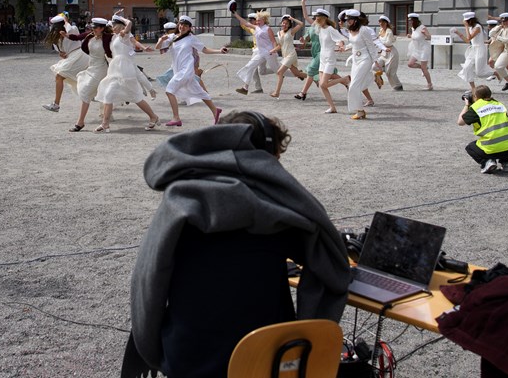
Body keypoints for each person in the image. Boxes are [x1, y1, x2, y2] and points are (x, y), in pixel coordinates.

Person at [127, 111, 350, 378]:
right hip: (270, 353)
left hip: (189, 356)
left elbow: (148, 280)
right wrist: (309, 329)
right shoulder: (282, 204)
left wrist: (151, 349)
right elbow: (329, 260)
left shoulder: (180, 200)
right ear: (267, 155)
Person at [94, 16, 161, 132]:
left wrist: (120, 18)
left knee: (136, 97)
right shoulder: (115, 36)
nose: (112, 27)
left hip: (125, 70)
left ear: (121, 25)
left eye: (114, 25)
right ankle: (105, 123)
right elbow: (134, 41)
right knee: (108, 95)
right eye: (112, 25)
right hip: (116, 69)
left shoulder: (123, 34)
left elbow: (130, 26)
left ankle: (153, 117)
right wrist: (115, 16)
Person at [163, 16, 226, 127]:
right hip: (178, 70)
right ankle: (215, 110)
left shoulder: (191, 38)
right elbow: (160, 48)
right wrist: (160, 41)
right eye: (181, 24)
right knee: (200, 92)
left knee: (169, 90)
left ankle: (176, 118)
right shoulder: (173, 37)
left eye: (185, 26)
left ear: (189, 28)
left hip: (186, 70)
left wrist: (219, 51)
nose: (182, 27)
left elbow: (204, 50)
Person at [295, 0, 349, 112]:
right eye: (315, 18)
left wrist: (340, 45)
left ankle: (344, 79)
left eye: (317, 18)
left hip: (329, 58)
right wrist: (304, 40)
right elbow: (308, 26)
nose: (315, 20)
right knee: (321, 85)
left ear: (324, 19)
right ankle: (332, 107)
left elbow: (340, 39)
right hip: (322, 57)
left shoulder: (330, 29)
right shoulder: (319, 28)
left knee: (324, 84)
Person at [457, 85, 508, 174]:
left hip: (494, 149)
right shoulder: (499, 104)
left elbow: (460, 122)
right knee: (502, 138)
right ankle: (506, 163)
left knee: (470, 147)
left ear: (475, 97)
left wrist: (467, 105)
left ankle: (487, 162)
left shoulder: (476, 107)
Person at [69, 18, 112, 132]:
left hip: (101, 68)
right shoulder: (90, 36)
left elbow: (120, 39)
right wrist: (65, 35)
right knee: (93, 91)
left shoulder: (108, 37)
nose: (93, 29)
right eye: (92, 27)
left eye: (95, 27)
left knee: (86, 91)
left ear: (102, 28)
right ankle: (104, 118)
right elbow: (79, 40)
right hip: (91, 66)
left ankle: (80, 122)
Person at [339, 10, 383, 120]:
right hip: (355, 59)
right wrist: (345, 48)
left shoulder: (364, 30)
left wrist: (376, 61)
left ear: (356, 20)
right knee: (353, 85)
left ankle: (360, 111)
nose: (347, 22)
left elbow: (370, 46)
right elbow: (353, 43)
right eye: (347, 20)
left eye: (350, 20)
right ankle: (373, 77)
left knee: (354, 85)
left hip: (365, 59)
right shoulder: (350, 30)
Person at [42, 14, 87, 112]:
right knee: (78, 79)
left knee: (59, 75)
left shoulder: (72, 28)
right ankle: (94, 95)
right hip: (72, 57)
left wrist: (66, 21)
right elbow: (61, 52)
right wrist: (61, 54)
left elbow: (70, 30)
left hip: (79, 55)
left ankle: (56, 104)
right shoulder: (57, 38)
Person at [232, 10, 279, 94]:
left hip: (269, 53)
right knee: (250, 66)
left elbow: (273, 41)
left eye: (259, 20)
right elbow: (245, 23)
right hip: (260, 53)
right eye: (256, 20)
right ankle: (245, 88)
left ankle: (297, 74)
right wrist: (235, 14)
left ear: (264, 20)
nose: (257, 21)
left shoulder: (267, 29)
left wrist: (274, 50)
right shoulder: (256, 28)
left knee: (278, 70)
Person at [269, 14, 307, 98]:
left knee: (280, 72)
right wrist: (272, 50)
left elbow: (301, 24)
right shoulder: (278, 33)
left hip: (291, 55)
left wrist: (292, 18)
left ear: (289, 25)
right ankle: (313, 77)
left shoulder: (291, 31)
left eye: (286, 23)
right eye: (283, 23)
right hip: (285, 56)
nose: (284, 25)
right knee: (297, 74)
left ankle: (277, 92)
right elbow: (280, 45)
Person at [454, 11, 490, 91]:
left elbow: (469, 37)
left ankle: (495, 73)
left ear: (470, 21)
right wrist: (458, 33)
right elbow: (467, 40)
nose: (465, 23)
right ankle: (473, 88)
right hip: (473, 49)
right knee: (467, 67)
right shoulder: (471, 28)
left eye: (466, 22)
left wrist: (466, 27)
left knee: (479, 73)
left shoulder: (477, 27)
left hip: (480, 49)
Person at [405, 13, 433, 90]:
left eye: (410, 20)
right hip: (416, 49)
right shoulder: (413, 28)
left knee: (424, 69)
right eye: (409, 20)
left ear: (414, 20)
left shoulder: (422, 27)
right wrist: (410, 36)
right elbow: (416, 36)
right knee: (410, 64)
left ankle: (430, 84)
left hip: (424, 49)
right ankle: (423, 68)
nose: (409, 22)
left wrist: (425, 34)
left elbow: (429, 37)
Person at [376, 15, 403, 91]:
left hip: (391, 53)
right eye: (379, 22)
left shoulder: (389, 31)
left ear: (386, 23)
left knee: (390, 73)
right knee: (374, 67)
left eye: (382, 22)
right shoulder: (381, 30)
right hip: (383, 53)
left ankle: (398, 85)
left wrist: (379, 42)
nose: (380, 23)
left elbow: (388, 42)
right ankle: (381, 72)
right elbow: (377, 40)